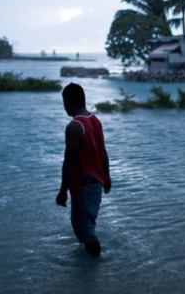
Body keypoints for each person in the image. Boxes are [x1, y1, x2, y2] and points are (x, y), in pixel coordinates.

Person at [56, 83, 112, 256]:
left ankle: (95, 271)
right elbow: (103, 150)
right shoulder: (95, 120)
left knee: (85, 233)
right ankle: (91, 270)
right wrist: (107, 176)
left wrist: (63, 190)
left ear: (68, 102)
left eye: (64, 102)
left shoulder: (74, 126)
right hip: (95, 185)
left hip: (84, 186)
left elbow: (69, 162)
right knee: (86, 229)